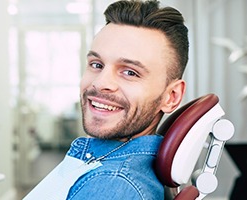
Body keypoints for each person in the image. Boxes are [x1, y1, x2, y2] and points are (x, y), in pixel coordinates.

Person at [24, 0, 189, 199]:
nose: (101, 83)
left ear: (171, 97)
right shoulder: (106, 167)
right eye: (96, 64)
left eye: (130, 72)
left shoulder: (113, 185)